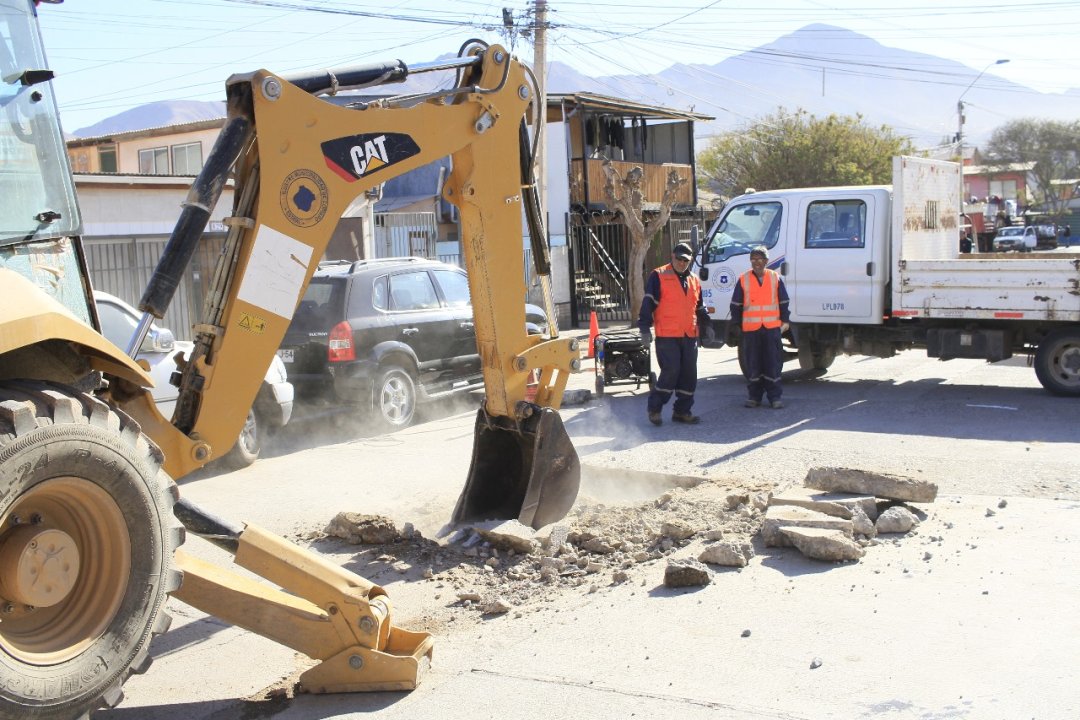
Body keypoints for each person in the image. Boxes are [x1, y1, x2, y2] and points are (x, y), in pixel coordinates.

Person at [638, 242, 710, 426]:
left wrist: (707, 325)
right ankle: (654, 408)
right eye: (678, 259)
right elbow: (648, 303)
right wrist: (644, 328)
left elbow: (699, 307)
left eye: (685, 260)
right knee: (671, 372)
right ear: (672, 256)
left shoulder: (694, 280)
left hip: (689, 335)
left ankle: (682, 411)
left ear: (690, 261)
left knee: (689, 374)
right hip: (667, 335)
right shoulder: (659, 276)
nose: (681, 263)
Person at [729, 245, 790, 409]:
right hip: (751, 329)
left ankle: (775, 397)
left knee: (773, 363)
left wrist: (785, 321)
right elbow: (736, 304)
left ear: (766, 261)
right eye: (753, 259)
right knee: (753, 364)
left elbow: (784, 301)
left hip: (771, 328)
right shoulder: (744, 279)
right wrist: (736, 324)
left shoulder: (775, 278)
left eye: (760, 259)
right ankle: (754, 397)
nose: (756, 262)